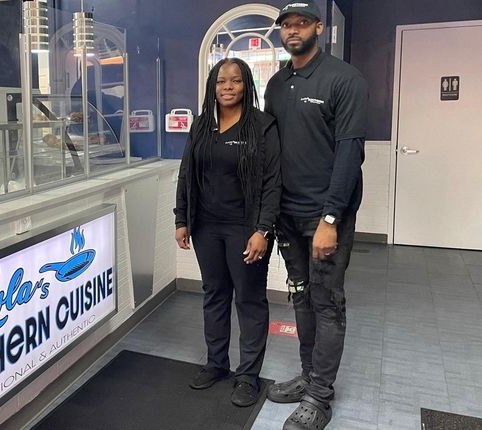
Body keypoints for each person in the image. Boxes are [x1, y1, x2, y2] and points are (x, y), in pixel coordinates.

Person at [263, 1, 369, 429]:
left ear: (318, 28)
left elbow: (350, 152)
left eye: (301, 23)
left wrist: (330, 219)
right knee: (302, 297)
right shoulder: (276, 83)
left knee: (328, 304)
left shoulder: (345, 79)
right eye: (286, 25)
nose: (293, 31)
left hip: (325, 219)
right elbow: (270, 151)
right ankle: (308, 377)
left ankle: (320, 397)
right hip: (287, 216)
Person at [174, 58, 281, 407]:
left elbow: (272, 183)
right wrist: (182, 219)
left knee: (249, 300)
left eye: (235, 81)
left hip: (245, 228)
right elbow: (186, 174)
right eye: (221, 81)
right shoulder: (202, 125)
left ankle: (248, 376)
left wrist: (263, 229)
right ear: (212, 85)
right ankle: (217, 364)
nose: (228, 87)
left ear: (247, 85)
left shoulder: (262, 126)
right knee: (214, 295)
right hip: (206, 227)